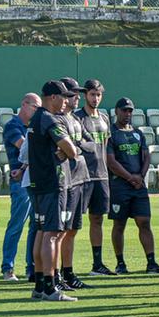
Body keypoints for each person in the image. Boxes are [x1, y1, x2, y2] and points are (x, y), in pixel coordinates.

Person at [27, 80, 79, 302]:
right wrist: (68, 152)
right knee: (52, 233)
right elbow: (71, 149)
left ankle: (40, 284)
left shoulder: (36, 118)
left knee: (41, 231)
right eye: (63, 97)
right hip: (53, 182)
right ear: (52, 97)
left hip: (39, 183)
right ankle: (50, 286)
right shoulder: (49, 118)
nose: (66, 101)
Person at [105, 97, 159, 274]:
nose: (127, 114)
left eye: (130, 110)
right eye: (124, 110)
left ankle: (151, 262)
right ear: (116, 111)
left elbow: (146, 156)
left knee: (144, 222)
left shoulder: (137, 133)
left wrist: (140, 176)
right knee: (119, 224)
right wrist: (130, 177)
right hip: (119, 185)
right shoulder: (111, 134)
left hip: (138, 186)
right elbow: (111, 161)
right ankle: (120, 263)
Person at [1, 94, 40, 280]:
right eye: (34, 107)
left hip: (33, 179)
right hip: (20, 182)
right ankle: (7, 267)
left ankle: (31, 267)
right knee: (17, 225)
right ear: (24, 105)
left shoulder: (33, 125)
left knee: (36, 225)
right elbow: (24, 147)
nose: (36, 111)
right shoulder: (13, 126)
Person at [76, 79, 113, 276]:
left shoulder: (105, 118)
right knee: (72, 223)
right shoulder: (78, 118)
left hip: (102, 175)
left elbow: (105, 146)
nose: (95, 98)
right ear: (85, 95)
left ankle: (97, 264)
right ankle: (65, 268)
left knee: (97, 219)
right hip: (82, 176)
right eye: (92, 94)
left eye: (98, 95)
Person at [56, 78, 90, 291]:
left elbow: (89, 142)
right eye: (73, 93)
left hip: (80, 178)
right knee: (60, 230)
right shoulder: (58, 119)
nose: (77, 97)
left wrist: (77, 147)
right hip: (65, 180)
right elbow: (65, 148)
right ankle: (56, 274)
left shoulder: (76, 119)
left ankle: (68, 271)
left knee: (73, 229)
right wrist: (77, 148)